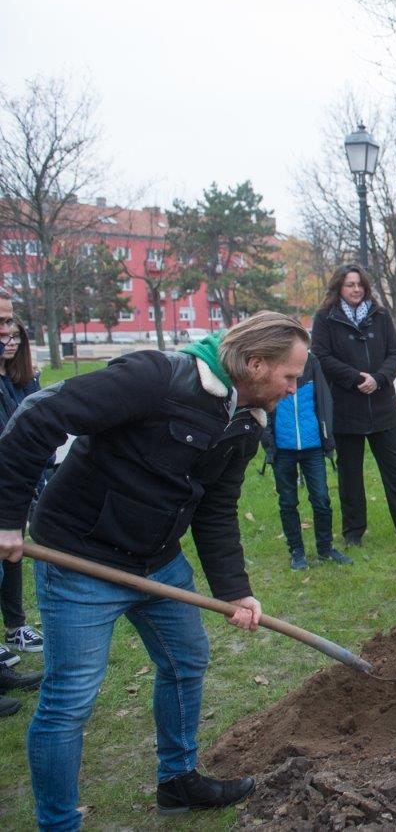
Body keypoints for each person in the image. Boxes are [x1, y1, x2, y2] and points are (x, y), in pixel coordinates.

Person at [0, 311, 311, 828]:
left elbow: (215, 510)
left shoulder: (246, 423)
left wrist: (235, 591)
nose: (294, 387)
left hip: (158, 563)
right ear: (256, 364)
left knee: (187, 660)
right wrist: (7, 517)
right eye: (290, 376)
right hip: (80, 560)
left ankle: (178, 781)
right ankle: (57, 823)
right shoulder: (156, 378)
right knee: (70, 699)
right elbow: (39, 416)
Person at [310, 265, 396, 547]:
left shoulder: (380, 316)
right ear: (339, 288)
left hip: (382, 407)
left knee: (395, 471)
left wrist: (379, 379)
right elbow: (321, 355)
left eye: (359, 284)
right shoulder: (325, 318)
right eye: (349, 284)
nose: (356, 289)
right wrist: (355, 378)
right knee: (350, 475)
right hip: (347, 409)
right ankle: (353, 532)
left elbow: (395, 353)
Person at [261, 349, 350, 570]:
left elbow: (324, 401)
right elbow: (262, 405)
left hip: (313, 447)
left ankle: (325, 549)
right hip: (283, 450)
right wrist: (269, 442)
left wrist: (326, 438)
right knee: (288, 502)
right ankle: (297, 552)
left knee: (321, 499)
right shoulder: (271, 362)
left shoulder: (311, 363)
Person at [0, 295, 44, 717]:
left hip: (8, 495)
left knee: (7, 571)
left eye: (10, 321)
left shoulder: (13, 379)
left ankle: (3, 661)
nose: (7, 331)